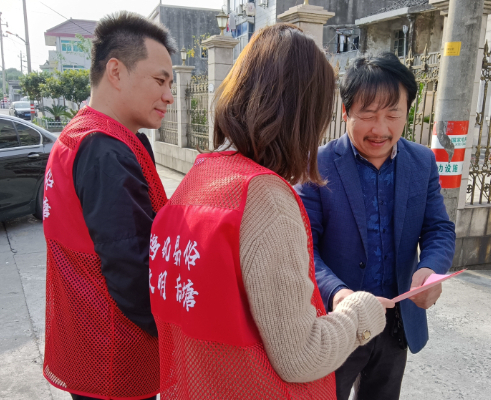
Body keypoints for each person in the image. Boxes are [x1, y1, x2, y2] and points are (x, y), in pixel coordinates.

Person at [148, 24, 393, 400]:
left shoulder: (197, 178)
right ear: (302, 115)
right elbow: (301, 355)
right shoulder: (264, 199)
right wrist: (362, 311)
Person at [295, 53, 456, 400]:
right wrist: (338, 293)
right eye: (367, 115)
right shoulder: (317, 164)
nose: (380, 129)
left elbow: (439, 229)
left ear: (407, 112)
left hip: (395, 322)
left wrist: (430, 270)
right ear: (346, 112)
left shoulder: (422, 161)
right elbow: (303, 246)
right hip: (336, 323)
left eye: (393, 115)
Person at [42, 11, 175, 400]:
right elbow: (130, 266)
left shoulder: (77, 134)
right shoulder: (106, 152)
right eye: (160, 81)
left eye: (171, 84)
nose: (169, 95)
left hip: (84, 341)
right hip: (115, 355)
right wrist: (174, 333)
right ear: (116, 71)